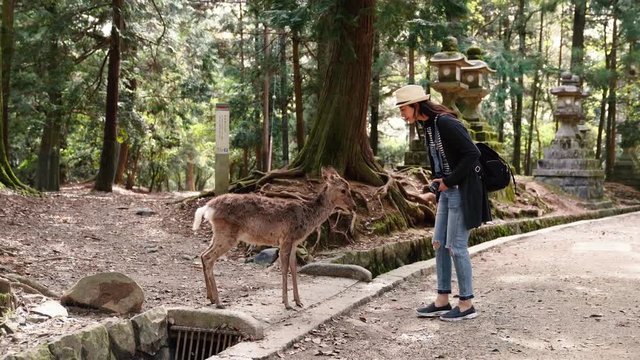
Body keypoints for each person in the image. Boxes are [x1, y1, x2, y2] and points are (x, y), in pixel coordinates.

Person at [394, 84, 491, 321]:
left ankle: (467, 303)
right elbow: (439, 161)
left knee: (456, 246)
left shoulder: (446, 123)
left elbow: (472, 154)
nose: (402, 114)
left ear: (416, 106)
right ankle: (442, 299)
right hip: (446, 193)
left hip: (461, 190)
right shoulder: (427, 127)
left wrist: (449, 180)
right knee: (438, 243)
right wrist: (437, 186)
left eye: (403, 108)